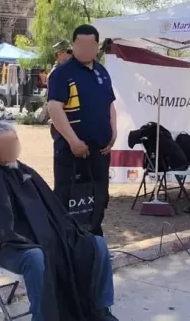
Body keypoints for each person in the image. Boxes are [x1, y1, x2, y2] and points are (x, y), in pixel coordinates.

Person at [0, 121, 118, 321]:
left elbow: (52, 208)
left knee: (96, 243)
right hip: (4, 246)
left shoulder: (25, 171)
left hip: (46, 236)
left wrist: (61, 230)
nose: (14, 149)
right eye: (8, 146)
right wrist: (22, 237)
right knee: (35, 256)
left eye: (15, 143)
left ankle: (100, 310)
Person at [46, 25, 117, 236]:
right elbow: (54, 107)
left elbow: (110, 104)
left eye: (90, 45)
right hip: (73, 152)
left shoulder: (102, 71)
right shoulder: (62, 73)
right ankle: (70, 244)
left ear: (96, 46)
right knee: (71, 202)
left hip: (100, 151)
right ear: (73, 45)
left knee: (98, 198)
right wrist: (73, 141)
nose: (85, 50)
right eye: (80, 45)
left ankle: (95, 241)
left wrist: (113, 132)